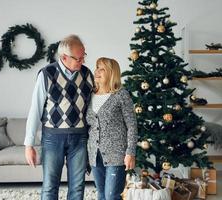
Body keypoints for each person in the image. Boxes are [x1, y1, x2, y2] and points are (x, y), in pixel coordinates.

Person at [24, 35, 94, 200]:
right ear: (64, 57)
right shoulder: (47, 74)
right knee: (49, 187)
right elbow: (35, 109)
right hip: (52, 138)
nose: (82, 61)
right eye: (79, 58)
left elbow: (93, 107)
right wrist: (29, 144)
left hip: (80, 138)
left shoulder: (87, 74)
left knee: (77, 187)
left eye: (84, 56)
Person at [86, 57, 138, 200]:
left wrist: (130, 152)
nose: (97, 71)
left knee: (111, 196)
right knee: (101, 194)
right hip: (94, 155)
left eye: (102, 69)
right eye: (96, 67)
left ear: (111, 73)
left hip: (117, 154)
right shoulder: (89, 95)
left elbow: (132, 125)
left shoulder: (121, 94)